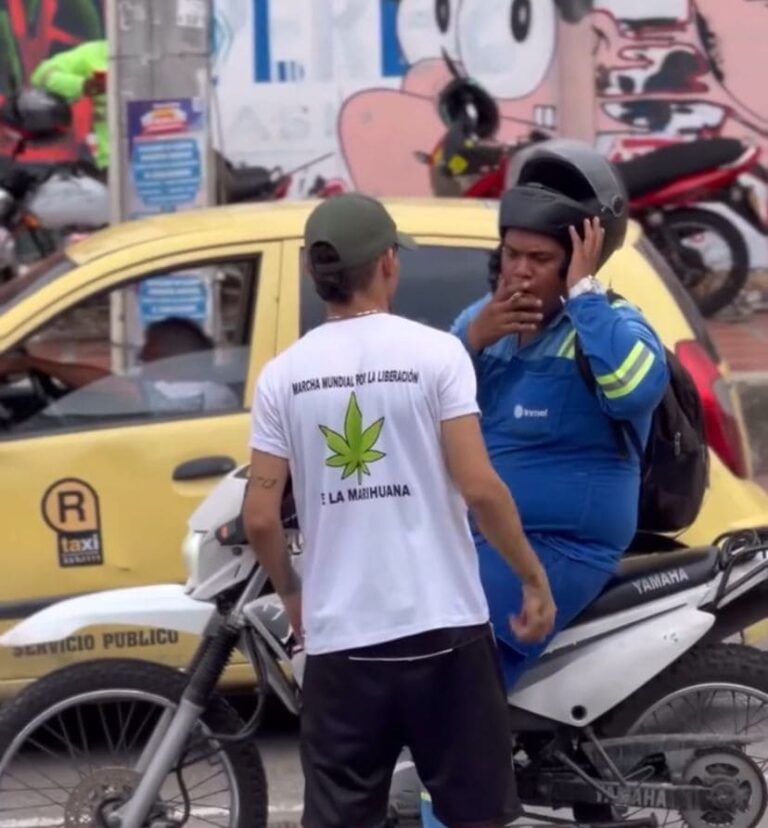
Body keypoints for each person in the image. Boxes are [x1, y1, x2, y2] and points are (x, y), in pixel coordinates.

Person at [244, 192, 556, 828]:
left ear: (311, 272)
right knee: (477, 816)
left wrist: (294, 594)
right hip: (446, 633)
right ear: (388, 263)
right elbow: (480, 487)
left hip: (342, 645)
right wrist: (531, 576)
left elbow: (259, 517)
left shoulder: (283, 376)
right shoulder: (435, 355)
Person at [420, 141, 670, 827]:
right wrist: (473, 336)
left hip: (563, 545)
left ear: (580, 257)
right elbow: (424, 401)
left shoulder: (615, 324)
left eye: (541, 260)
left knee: (456, 692)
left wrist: (585, 296)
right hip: (490, 538)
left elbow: (631, 390)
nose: (520, 274)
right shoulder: (486, 324)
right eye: (511, 256)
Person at [0, 316, 238, 414]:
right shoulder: (165, 382)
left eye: (149, 351)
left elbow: (109, 385)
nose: (142, 357)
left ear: (172, 358)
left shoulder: (208, 394)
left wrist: (33, 363)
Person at [30, 40, 108, 171]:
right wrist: (82, 85)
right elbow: (41, 75)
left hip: (152, 158)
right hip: (110, 163)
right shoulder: (97, 52)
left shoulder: (153, 58)